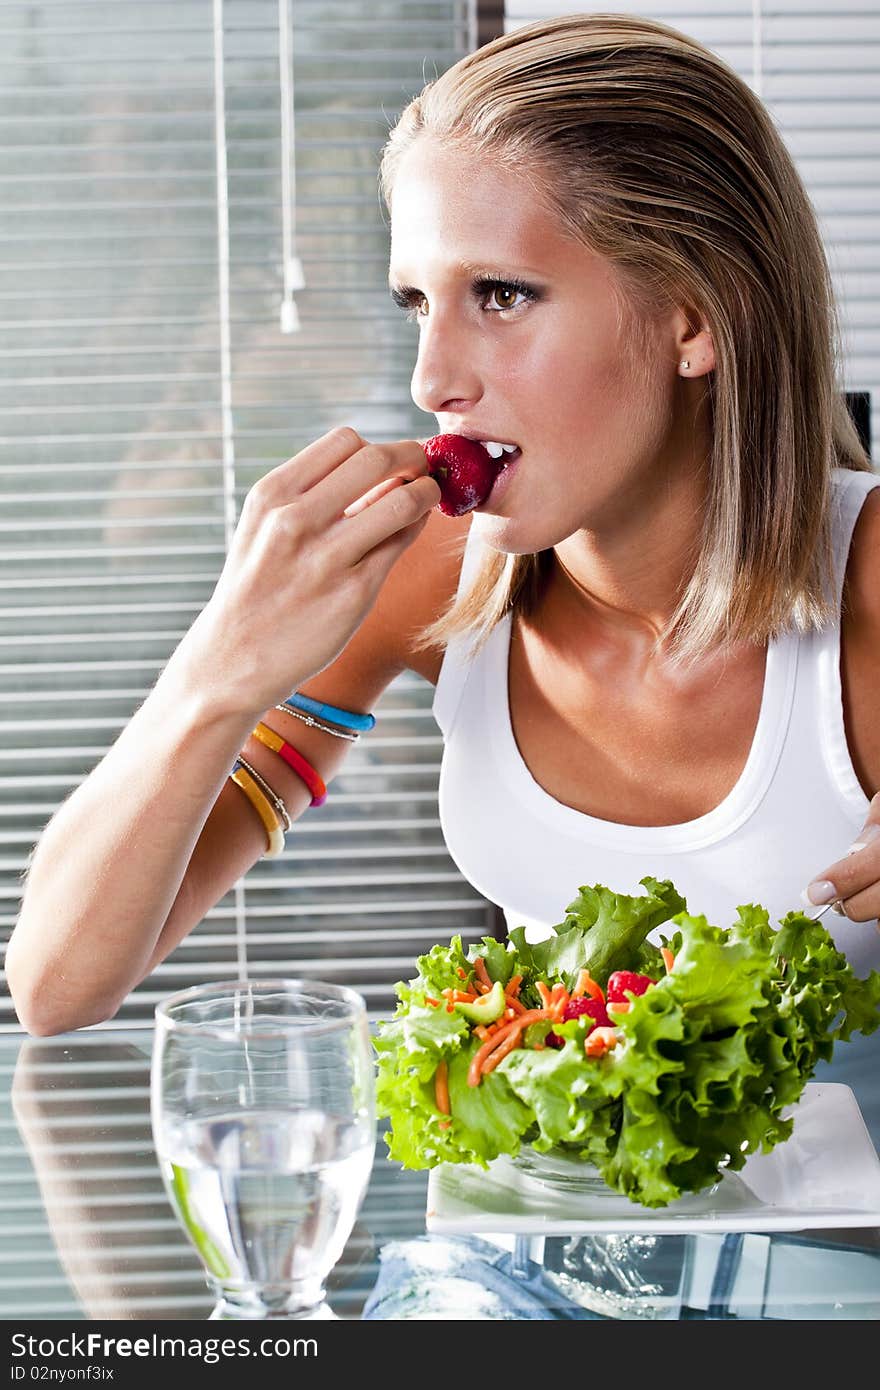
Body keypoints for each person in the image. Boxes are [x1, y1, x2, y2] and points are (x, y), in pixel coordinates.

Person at [7, 15, 879, 1055]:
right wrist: (217, 666)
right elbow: (59, 984)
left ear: (694, 319)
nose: (432, 380)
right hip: (528, 1209)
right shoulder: (429, 578)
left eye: (501, 296)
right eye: (418, 302)